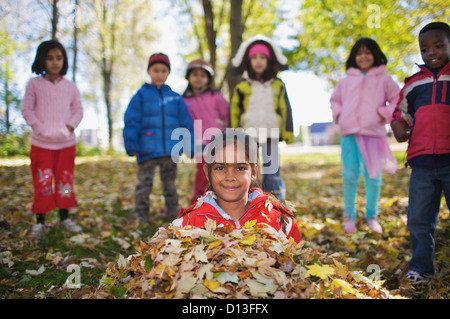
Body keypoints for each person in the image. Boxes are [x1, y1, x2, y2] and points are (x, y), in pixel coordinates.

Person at [391, 22, 450, 282]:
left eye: (439, 45)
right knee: (419, 219)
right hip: (422, 162)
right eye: (425, 49)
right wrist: (398, 125)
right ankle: (422, 268)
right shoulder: (414, 84)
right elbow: (400, 113)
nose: (432, 52)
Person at [172, 129, 301, 243]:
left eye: (240, 168)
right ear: (207, 173)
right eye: (220, 168)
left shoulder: (281, 224)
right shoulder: (185, 225)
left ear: (254, 172)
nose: (230, 177)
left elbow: (299, 266)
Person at [330, 38, 400, 234]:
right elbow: (335, 100)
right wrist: (340, 114)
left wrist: (383, 113)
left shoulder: (384, 80)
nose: (363, 57)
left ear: (375, 55)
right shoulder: (345, 81)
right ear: (354, 57)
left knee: (374, 177)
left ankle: (371, 215)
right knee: (349, 175)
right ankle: (349, 215)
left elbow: (397, 99)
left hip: (374, 135)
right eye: (359, 53)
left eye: (368, 52)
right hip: (350, 135)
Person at [22, 40, 84, 239]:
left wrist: (68, 127)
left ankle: (64, 218)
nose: (55, 62)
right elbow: (27, 109)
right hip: (41, 144)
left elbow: (78, 110)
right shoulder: (34, 84)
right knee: (43, 181)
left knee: (65, 180)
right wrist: (40, 129)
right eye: (50, 58)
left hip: (66, 145)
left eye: (59, 58)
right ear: (42, 60)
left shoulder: (70, 86)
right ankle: (40, 222)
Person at [123, 53, 194, 224]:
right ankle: (141, 216)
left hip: (170, 150)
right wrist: (131, 144)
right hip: (146, 149)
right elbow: (131, 121)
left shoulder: (175, 98)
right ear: (149, 71)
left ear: (168, 73)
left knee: (170, 186)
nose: (159, 74)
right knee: (144, 185)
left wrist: (188, 146)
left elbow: (185, 123)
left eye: (163, 71)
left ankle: (173, 216)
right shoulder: (140, 96)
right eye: (156, 70)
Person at [229, 35, 294, 201]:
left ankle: (276, 204)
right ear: (248, 61)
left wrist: (288, 132)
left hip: (271, 133)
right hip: (248, 134)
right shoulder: (242, 85)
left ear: (269, 60)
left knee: (272, 170)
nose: (258, 61)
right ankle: (250, 203)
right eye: (255, 57)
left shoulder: (277, 84)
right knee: (248, 170)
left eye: (262, 57)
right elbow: (235, 111)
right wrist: (234, 134)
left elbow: (285, 109)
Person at [182, 58, 229, 204]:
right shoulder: (184, 100)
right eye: (195, 75)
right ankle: (198, 204)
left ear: (208, 79)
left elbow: (226, 116)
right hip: (199, 144)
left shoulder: (216, 97)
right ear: (189, 77)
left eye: (203, 75)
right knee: (203, 175)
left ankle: (221, 204)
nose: (198, 78)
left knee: (220, 175)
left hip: (218, 142)